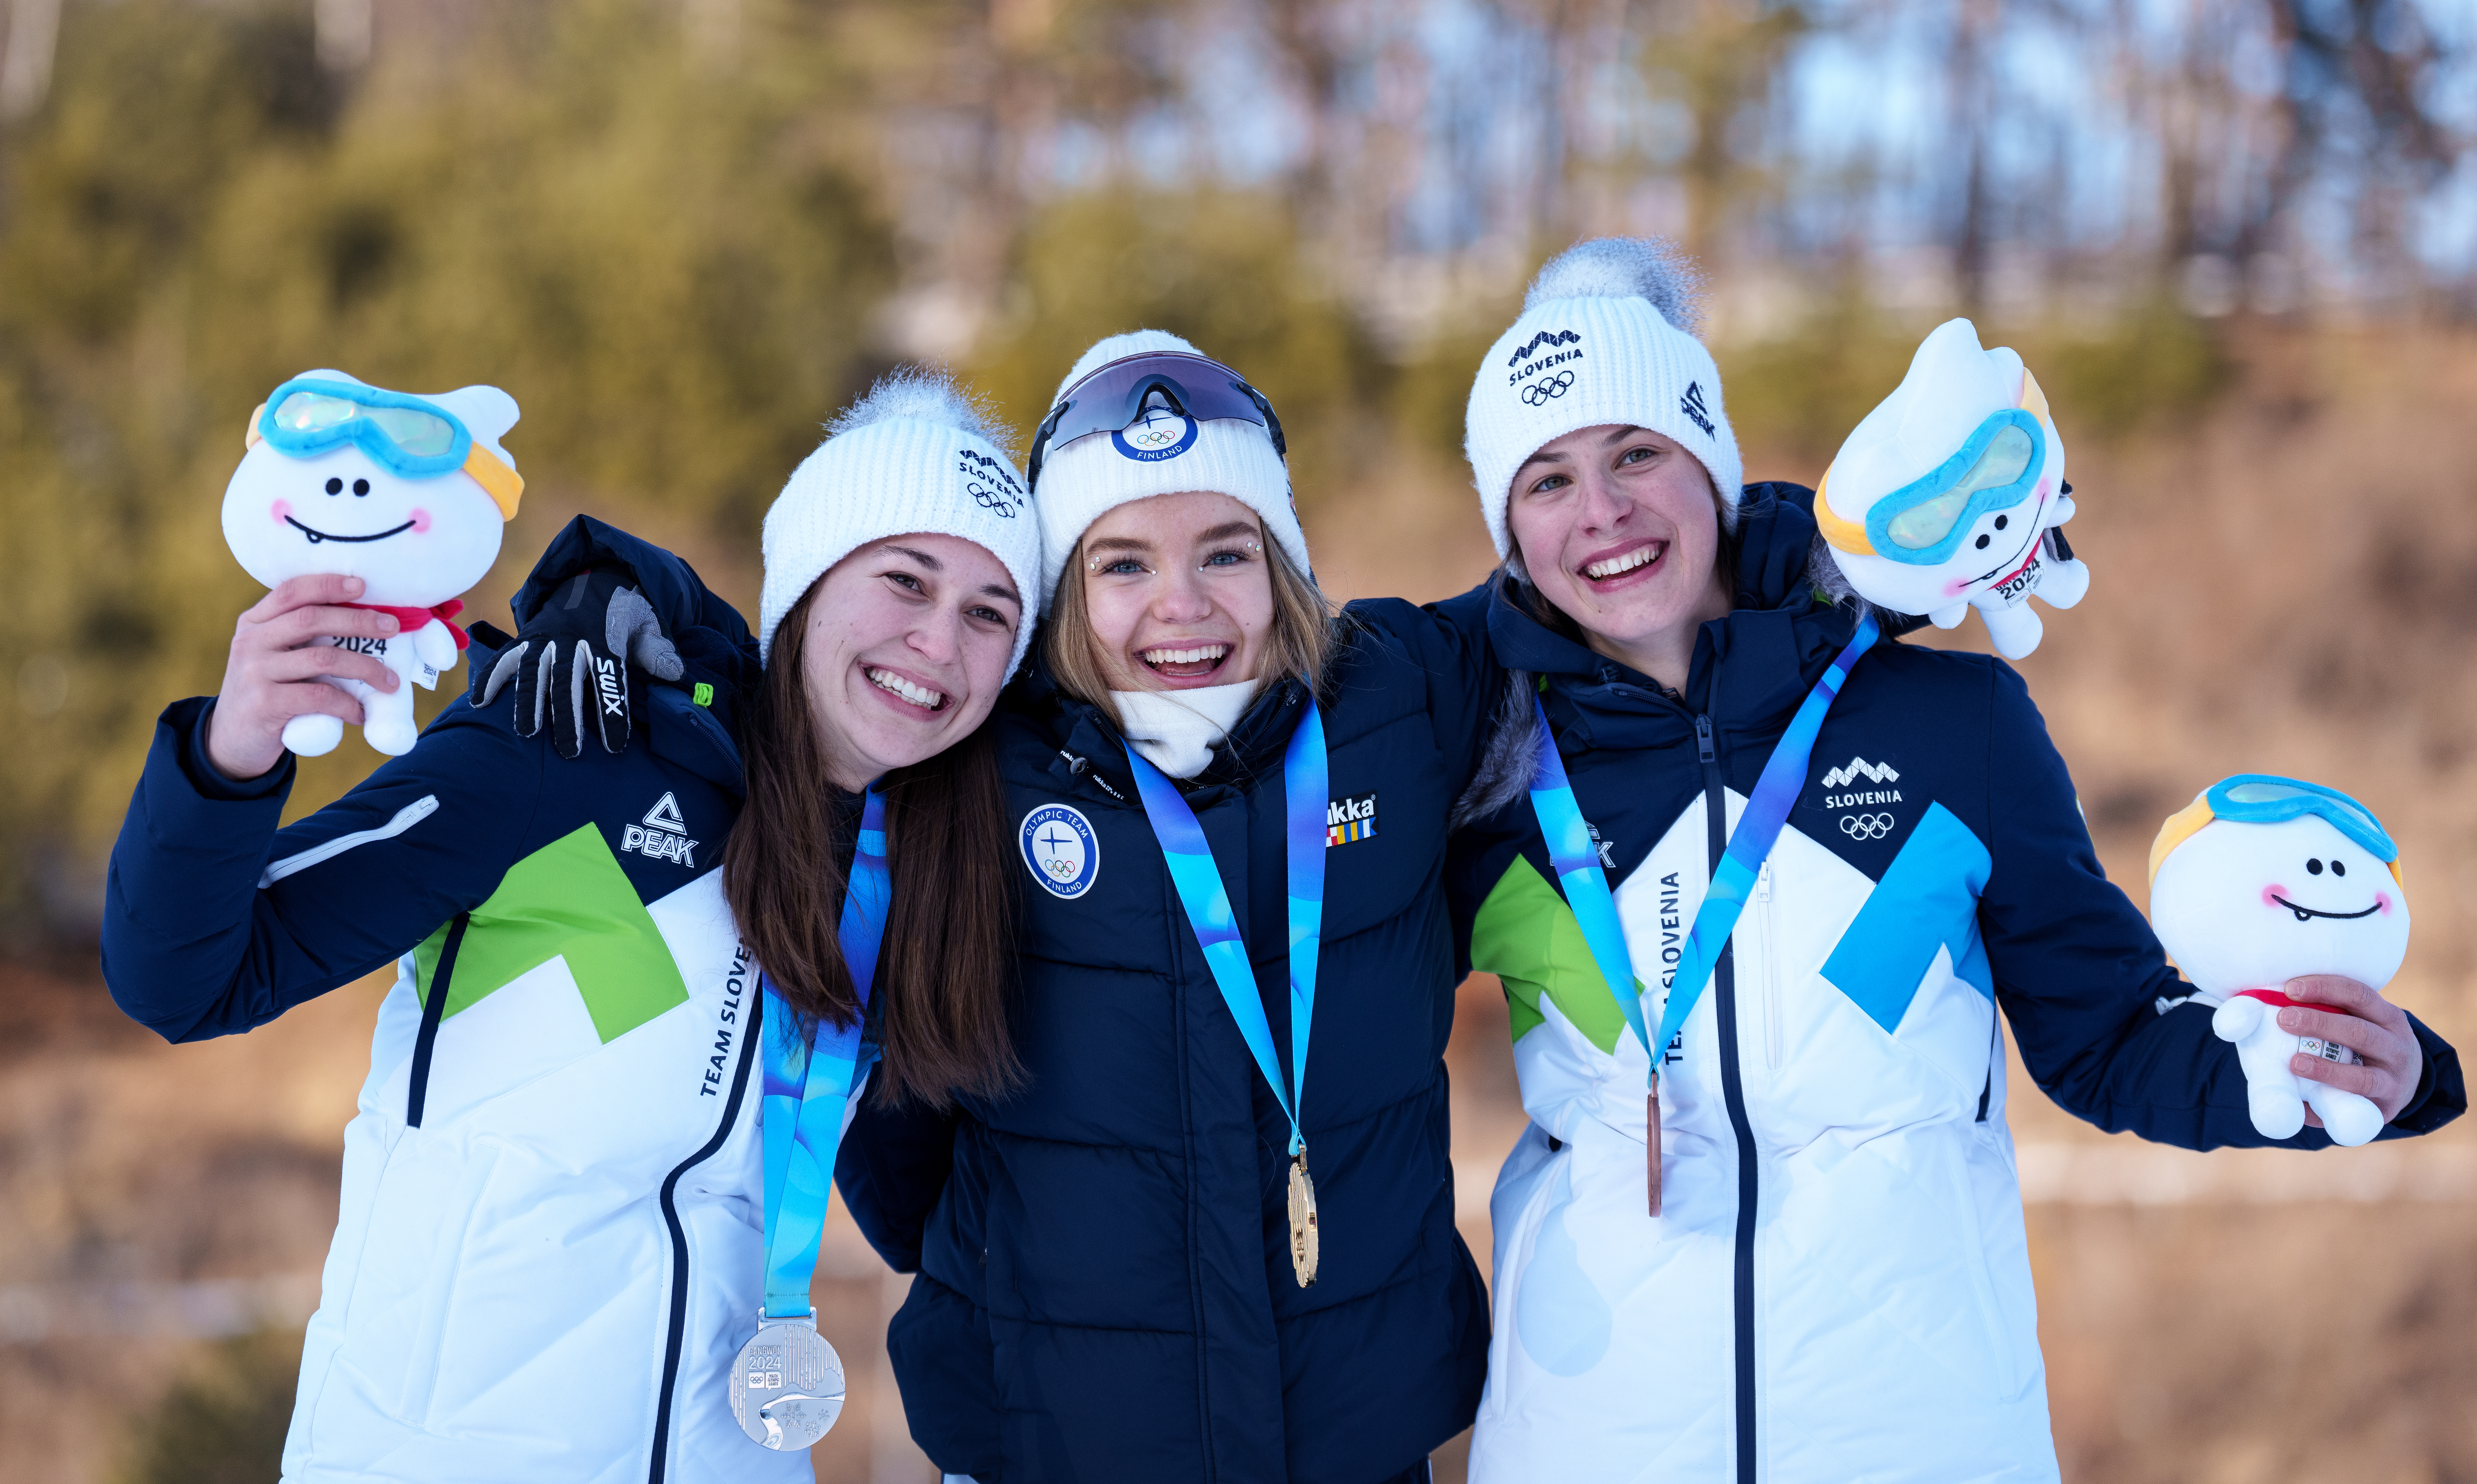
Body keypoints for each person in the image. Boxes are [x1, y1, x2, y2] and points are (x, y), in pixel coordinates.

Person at [1441, 238, 2466, 1483]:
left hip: (1925, 1433)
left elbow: (2106, 1036)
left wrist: (2318, 1071)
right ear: (1508, 528)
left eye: (1636, 453)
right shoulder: (1484, 777)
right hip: (1584, 1440)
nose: (1601, 510)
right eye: (1546, 479)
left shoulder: (1953, 724)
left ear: (1710, 459)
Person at [99, 370, 1041, 1481]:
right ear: (810, 580)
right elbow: (187, 976)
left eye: (990, 613)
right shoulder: (576, 751)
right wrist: (233, 749)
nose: (938, 641)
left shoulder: (906, 882)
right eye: (906, 580)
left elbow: (928, 1213)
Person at [834, 332, 1497, 1484]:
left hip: (1352, 1448)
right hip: (1051, 1446)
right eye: (1124, 564)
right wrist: (615, 598)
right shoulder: (976, 774)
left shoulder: (1397, 705)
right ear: (1063, 594)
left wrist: (1805, 549)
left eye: (1225, 552)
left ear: (1283, 563)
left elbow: (1597, 594)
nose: (1180, 606)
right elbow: (897, 1138)